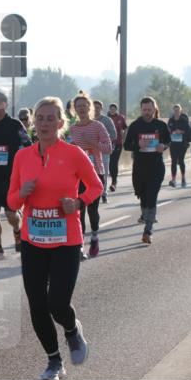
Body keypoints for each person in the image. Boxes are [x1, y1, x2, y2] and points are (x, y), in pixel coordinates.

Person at [7, 97, 102, 380]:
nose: (45, 123)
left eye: (51, 119)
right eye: (40, 118)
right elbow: (11, 202)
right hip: (33, 240)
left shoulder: (73, 154)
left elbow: (95, 185)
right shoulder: (22, 157)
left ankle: (72, 331)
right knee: (37, 304)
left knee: (57, 303)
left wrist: (78, 201)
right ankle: (53, 361)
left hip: (66, 240)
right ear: (34, 124)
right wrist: (22, 192)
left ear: (61, 124)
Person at [0, 91, 30, 259]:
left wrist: (21, 164)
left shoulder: (15, 125)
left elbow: (27, 144)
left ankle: (17, 230)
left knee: (11, 215)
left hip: (11, 178)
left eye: (0, 105)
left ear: (5, 105)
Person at [68, 93, 113, 258]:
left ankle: (94, 237)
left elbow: (109, 148)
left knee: (93, 210)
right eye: (78, 106)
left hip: (95, 172)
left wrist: (92, 143)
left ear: (89, 108)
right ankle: (79, 245)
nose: (81, 109)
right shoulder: (72, 129)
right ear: (74, 109)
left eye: (84, 106)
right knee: (79, 210)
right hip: (76, 174)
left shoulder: (98, 126)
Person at [124, 97, 171, 244]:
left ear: (154, 109)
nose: (147, 112)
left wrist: (163, 146)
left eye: (150, 109)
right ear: (141, 109)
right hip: (139, 167)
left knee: (152, 197)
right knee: (142, 195)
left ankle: (148, 231)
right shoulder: (135, 126)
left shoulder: (161, 125)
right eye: (144, 110)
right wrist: (138, 145)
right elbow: (126, 145)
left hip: (156, 166)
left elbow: (168, 141)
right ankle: (145, 214)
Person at [91, 99, 117, 202]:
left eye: (98, 108)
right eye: (94, 107)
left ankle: (104, 193)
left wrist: (102, 138)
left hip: (104, 151)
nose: (96, 109)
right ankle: (93, 193)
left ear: (101, 109)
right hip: (91, 151)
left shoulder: (107, 120)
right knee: (91, 172)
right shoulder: (87, 120)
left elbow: (114, 135)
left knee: (104, 172)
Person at [167, 104, 191, 188]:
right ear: (173, 111)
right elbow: (168, 130)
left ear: (180, 111)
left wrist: (181, 131)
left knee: (181, 161)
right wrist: (172, 132)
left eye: (178, 110)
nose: (176, 112)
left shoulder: (184, 120)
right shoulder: (171, 120)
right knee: (173, 161)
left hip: (182, 144)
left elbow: (189, 131)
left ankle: (183, 178)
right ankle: (173, 180)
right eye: (175, 110)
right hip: (173, 143)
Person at [107, 103, 128, 193]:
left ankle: (114, 182)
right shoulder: (106, 118)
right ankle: (109, 180)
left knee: (114, 162)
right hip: (107, 144)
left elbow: (125, 128)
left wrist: (124, 138)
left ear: (116, 110)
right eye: (111, 109)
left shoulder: (120, 118)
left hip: (118, 143)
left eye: (114, 109)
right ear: (109, 109)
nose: (113, 110)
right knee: (108, 163)